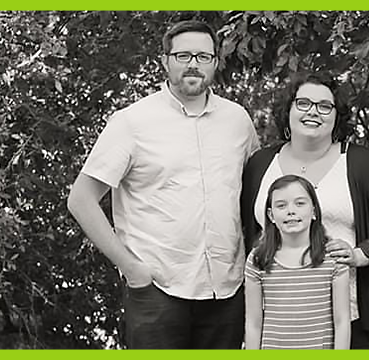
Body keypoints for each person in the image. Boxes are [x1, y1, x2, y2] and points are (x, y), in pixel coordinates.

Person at [67, 20, 259, 349]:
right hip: (158, 290)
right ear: (165, 61)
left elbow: (255, 194)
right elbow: (81, 199)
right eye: (183, 55)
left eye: (203, 56)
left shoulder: (237, 120)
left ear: (215, 62)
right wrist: (131, 268)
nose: (193, 64)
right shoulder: (132, 122)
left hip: (227, 289)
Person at [241, 71, 369, 348]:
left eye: (324, 106)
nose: (313, 112)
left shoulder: (363, 164)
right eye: (303, 103)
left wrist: (359, 254)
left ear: (336, 116)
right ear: (288, 109)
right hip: (276, 324)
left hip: (348, 317)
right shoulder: (260, 165)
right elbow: (248, 232)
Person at [244, 174, 350, 349]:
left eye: (300, 203)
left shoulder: (333, 257)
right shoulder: (258, 259)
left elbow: (342, 322)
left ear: (314, 211)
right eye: (281, 205)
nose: (290, 211)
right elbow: (253, 323)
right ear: (271, 215)